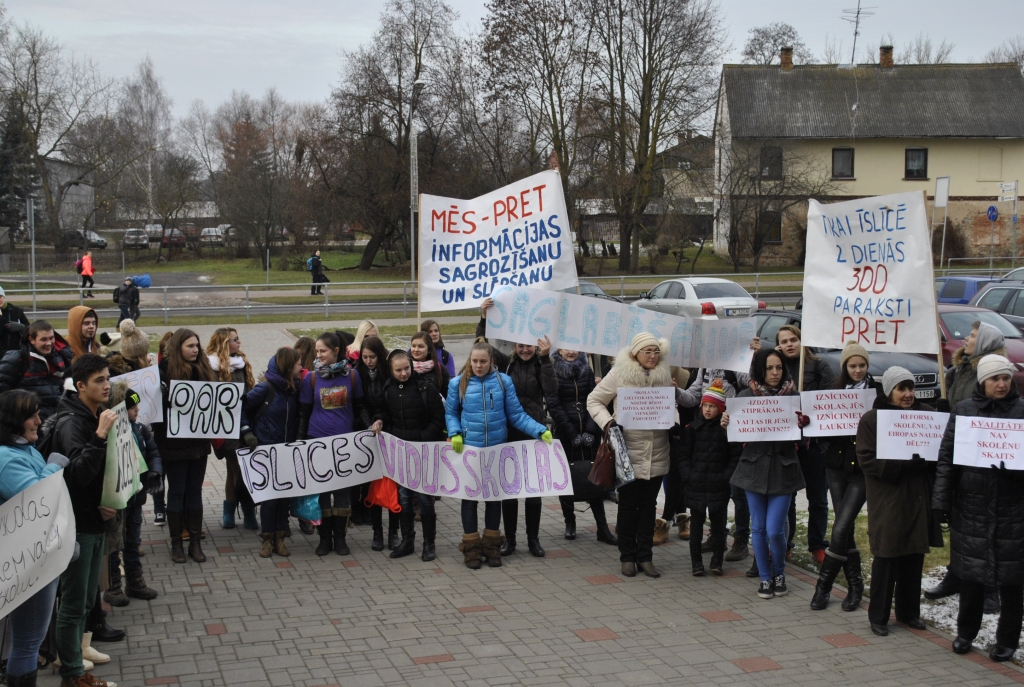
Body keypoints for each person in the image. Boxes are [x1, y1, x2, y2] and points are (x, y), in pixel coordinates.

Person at [934, 354, 1024, 661]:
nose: (1001, 384)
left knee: (1012, 579)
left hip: (1013, 509)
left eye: (1006, 378)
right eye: (995, 379)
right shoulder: (964, 411)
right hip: (971, 507)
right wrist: (941, 502)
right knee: (970, 575)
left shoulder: (1022, 411)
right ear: (983, 382)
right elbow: (947, 460)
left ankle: (1007, 639)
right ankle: (965, 633)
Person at [47, 354, 119, 687]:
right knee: (74, 603)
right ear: (80, 387)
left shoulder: (90, 415)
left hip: (94, 520)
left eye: (108, 378)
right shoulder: (72, 423)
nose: (107, 385)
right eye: (99, 381)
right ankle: (73, 674)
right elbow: (75, 475)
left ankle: (75, 662)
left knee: (88, 600)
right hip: (77, 525)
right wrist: (101, 436)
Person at [447, 342, 551, 569]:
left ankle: (492, 546)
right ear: (470, 360)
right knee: (470, 499)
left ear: (492, 361)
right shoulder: (457, 384)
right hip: (470, 452)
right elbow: (451, 412)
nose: (478, 365)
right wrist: (454, 432)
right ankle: (472, 549)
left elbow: (517, 415)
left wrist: (539, 430)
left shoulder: (504, 382)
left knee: (494, 498)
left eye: (483, 361)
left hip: (496, 450)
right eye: (475, 361)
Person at [926, 321, 1005, 611]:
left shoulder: (989, 373)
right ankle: (956, 574)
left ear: (983, 342)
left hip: (983, 459)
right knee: (961, 524)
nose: (966, 338)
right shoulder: (961, 369)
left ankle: (990, 586)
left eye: (972, 335)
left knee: (987, 527)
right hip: (959, 455)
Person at [856, 366, 939, 636]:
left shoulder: (926, 415)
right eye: (901, 389)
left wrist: (943, 425)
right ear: (889, 391)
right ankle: (878, 615)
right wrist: (900, 464)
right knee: (888, 555)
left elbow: (940, 451)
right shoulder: (872, 419)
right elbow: (867, 459)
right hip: (889, 497)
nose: (908, 394)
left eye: (911, 388)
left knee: (914, 555)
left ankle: (908, 612)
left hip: (917, 495)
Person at [588, 333, 678, 579]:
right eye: (647, 351)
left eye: (656, 351)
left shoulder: (663, 377)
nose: (652, 356)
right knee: (628, 506)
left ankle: (645, 557)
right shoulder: (620, 374)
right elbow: (594, 400)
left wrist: (674, 418)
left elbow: (672, 406)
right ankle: (627, 556)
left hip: (657, 451)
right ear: (635, 354)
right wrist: (609, 423)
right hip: (626, 452)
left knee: (649, 507)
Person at [723, 348, 804, 599]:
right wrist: (727, 422)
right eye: (769, 368)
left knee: (775, 530)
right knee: (757, 528)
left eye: (778, 367)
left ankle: (779, 573)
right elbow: (736, 439)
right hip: (753, 470)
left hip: (784, 470)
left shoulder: (794, 396)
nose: (775, 373)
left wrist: (806, 424)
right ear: (760, 369)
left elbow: (805, 437)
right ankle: (766, 578)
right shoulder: (745, 396)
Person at [0, 390, 68, 687]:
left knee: (30, 639)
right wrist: (55, 465)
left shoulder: (22, 448)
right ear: (13, 421)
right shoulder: (5, 459)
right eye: (32, 416)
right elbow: (39, 499)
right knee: (28, 641)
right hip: (26, 562)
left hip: (38, 557)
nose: (39, 421)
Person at [810, 341, 875, 611]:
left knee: (841, 525)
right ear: (845, 367)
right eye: (853, 365)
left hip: (861, 468)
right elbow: (822, 423)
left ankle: (823, 585)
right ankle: (855, 586)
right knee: (843, 528)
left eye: (861, 365)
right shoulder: (833, 391)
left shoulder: (876, 393)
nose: (857, 370)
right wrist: (810, 421)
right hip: (835, 466)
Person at [674, 362, 755, 559]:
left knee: (738, 494)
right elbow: (693, 397)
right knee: (714, 501)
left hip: (733, 431)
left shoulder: (736, 359)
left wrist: (753, 356)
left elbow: (749, 381)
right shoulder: (704, 366)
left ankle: (741, 539)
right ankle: (717, 538)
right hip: (710, 434)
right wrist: (675, 391)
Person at [371, 350, 446, 561]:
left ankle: (429, 544)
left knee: (424, 498)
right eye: (398, 370)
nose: (403, 373)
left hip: (422, 450)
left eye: (406, 368)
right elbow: (383, 412)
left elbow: (438, 419)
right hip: (401, 452)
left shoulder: (425, 387)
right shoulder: (388, 389)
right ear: (391, 370)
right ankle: (407, 541)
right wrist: (379, 420)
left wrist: (421, 438)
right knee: (404, 496)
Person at [770, 325, 835, 565]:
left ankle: (817, 544)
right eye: (784, 341)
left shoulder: (819, 365)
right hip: (788, 444)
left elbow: (829, 398)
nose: (789, 344)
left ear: (801, 340)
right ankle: (785, 542)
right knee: (786, 497)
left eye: (793, 339)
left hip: (815, 444)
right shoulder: (777, 368)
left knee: (817, 498)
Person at [299, 332, 364, 556]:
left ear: (336, 351)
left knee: (343, 494)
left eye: (323, 351)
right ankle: (324, 539)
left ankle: (341, 539)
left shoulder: (353, 376)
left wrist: (370, 426)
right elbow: (304, 412)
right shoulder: (312, 379)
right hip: (317, 442)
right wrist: (300, 442)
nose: (318, 355)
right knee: (323, 494)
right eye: (317, 351)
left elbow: (360, 407)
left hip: (344, 445)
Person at [152, 328, 215, 564]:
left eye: (197, 345)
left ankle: (195, 543)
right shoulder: (162, 372)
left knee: (195, 491)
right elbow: (137, 398)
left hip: (198, 445)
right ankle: (176, 543)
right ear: (178, 347)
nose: (195, 349)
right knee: (177, 491)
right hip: (173, 445)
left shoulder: (204, 371)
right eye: (190, 346)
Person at [545, 348, 617, 546]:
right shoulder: (553, 371)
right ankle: (570, 521)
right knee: (566, 477)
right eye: (566, 347)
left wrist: (590, 430)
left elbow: (595, 400)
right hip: (566, 433)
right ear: (559, 349)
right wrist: (572, 434)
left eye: (574, 347)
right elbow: (554, 405)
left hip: (588, 431)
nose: (570, 351)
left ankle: (602, 527)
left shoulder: (587, 369)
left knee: (595, 474)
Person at [102, 384, 162, 606]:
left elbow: (153, 451)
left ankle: (135, 582)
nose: (137, 410)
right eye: (132, 406)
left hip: (136, 497)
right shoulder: (112, 432)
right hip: (118, 500)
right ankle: (113, 586)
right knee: (115, 542)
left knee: (133, 540)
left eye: (137, 405)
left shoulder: (139, 429)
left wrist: (155, 471)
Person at [242, 348, 303, 558]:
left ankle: (280, 538)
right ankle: (266, 539)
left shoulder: (294, 388)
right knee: (269, 498)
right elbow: (243, 408)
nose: (301, 367)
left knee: (284, 496)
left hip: (287, 450)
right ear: (287, 366)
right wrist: (248, 433)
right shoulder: (265, 388)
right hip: (266, 449)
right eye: (298, 364)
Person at [679, 379, 738, 577]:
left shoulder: (726, 430)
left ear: (721, 409)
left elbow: (734, 456)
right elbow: (683, 455)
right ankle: (696, 562)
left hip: (718, 485)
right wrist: (688, 475)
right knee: (696, 525)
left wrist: (725, 477)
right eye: (705, 405)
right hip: (696, 484)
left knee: (718, 526)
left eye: (713, 406)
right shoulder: (693, 428)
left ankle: (717, 561)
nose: (708, 410)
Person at [208, 327, 257, 531]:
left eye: (238, 338)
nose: (239, 342)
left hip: (243, 424)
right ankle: (242, 510)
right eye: (235, 340)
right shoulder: (211, 366)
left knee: (235, 470)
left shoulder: (241, 363)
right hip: (224, 426)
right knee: (237, 468)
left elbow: (248, 391)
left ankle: (237, 511)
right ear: (224, 344)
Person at [355, 335, 398, 550]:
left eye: (372, 357)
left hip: (389, 431)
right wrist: (368, 425)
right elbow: (359, 403)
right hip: (369, 433)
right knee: (372, 485)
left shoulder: (388, 372)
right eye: (365, 357)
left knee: (392, 485)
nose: (368, 361)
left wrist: (381, 421)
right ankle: (377, 532)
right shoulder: (358, 374)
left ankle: (394, 532)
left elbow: (391, 404)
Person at [0, 320, 74, 421]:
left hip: (59, 418)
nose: (49, 343)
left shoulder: (62, 358)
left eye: (51, 338)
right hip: (29, 421)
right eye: (43, 339)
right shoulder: (17, 359)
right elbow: (3, 392)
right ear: (32, 339)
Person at [408, 330, 451, 401]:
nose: (416, 349)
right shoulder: (405, 368)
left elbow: (448, 396)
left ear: (429, 349)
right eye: (413, 346)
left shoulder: (439, 368)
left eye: (421, 346)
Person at [0, 285, 29, 359]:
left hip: (15, 354)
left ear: (4, 297)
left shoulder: (16, 311)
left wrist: (22, 328)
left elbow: (30, 329)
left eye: (0, 296)